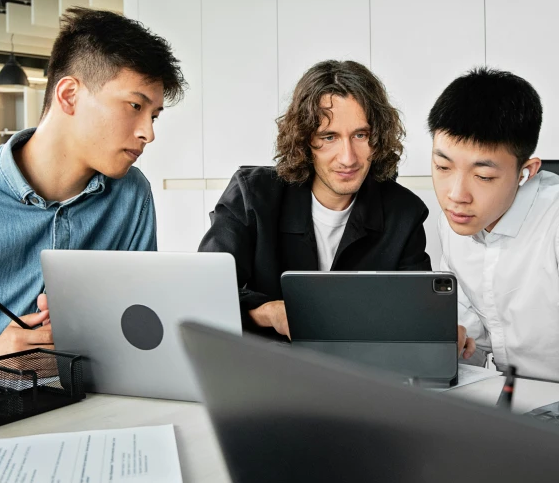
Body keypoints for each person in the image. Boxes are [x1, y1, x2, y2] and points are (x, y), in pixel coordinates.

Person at [0, 7, 186, 382]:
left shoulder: (131, 194)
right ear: (69, 95)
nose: (148, 132)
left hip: (91, 401)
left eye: (155, 115)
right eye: (135, 106)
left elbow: (138, 318)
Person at [199, 60, 475, 358]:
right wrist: (267, 313)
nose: (348, 158)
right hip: (262, 369)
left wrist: (437, 331)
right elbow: (204, 294)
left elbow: (412, 315)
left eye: (361, 135)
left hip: (360, 378)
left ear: (377, 137)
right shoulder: (251, 194)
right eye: (329, 137)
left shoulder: (403, 213)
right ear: (305, 141)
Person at [429, 67, 559, 393]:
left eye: (483, 176)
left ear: (525, 172)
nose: (455, 195)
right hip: (508, 402)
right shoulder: (457, 220)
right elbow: (473, 343)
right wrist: (452, 347)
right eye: (443, 167)